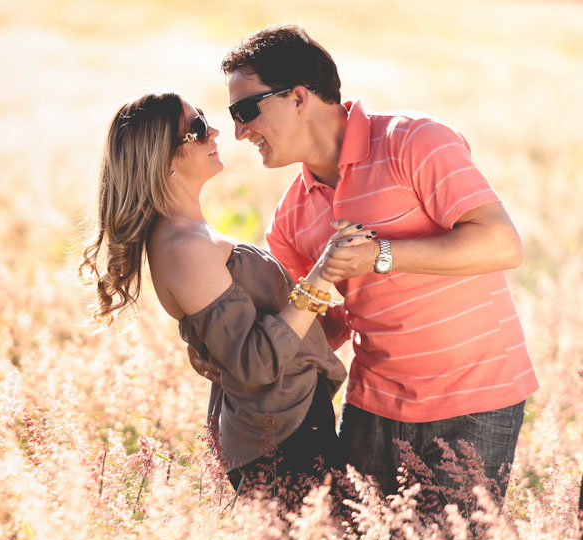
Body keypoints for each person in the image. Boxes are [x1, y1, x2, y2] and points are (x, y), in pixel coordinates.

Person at [191, 25, 538, 507]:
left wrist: (381, 254)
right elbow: (318, 328)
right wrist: (239, 355)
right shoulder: (290, 218)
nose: (239, 131)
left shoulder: (414, 140)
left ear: (297, 98)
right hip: (372, 409)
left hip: (477, 397)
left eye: (246, 110)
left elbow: (501, 243)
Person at [80, 92, 373, 501]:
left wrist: (340, 319)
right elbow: (255, 362)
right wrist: (323, 274)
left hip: (289, 420)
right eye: (196, 129)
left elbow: (266, 337)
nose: (214, 130)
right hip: (279, 441)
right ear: (163, 161)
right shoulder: (182, 247)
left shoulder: (189, 234)